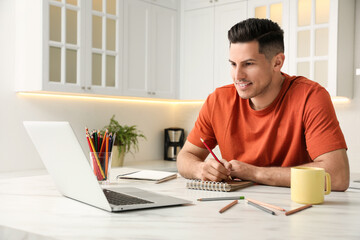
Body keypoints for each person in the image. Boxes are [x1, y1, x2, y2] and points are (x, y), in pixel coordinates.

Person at [177, 18, 349, 191]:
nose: (238, 76)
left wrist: (255, 173)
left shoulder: (310, 96)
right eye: (233, 64)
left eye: (248, 64)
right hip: (234, 207)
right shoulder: (217, 100)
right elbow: (185, 157)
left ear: (277, 62)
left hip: (294, 206)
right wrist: (201, 169)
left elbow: (337, 175)